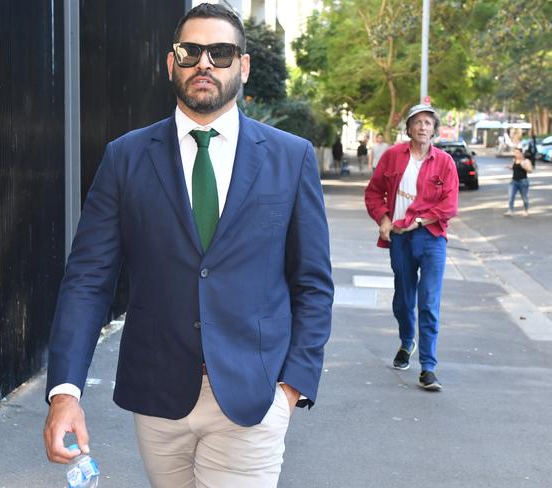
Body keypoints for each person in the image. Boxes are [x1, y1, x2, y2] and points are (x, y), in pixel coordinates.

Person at [43, 4, 334, 487]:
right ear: (170, 62)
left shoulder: (291, 157)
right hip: (158, 398)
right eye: (191, 50)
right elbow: (87, 281)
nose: (205, 63)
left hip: (252, 397)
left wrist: (292, 386)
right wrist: (65, 393)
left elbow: (312, 282)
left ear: (242, 66)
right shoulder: (125, 158)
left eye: (221, 53)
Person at [364, 104, 459, 392]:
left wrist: (416, 221)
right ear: (408, 129)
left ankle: (428, 368)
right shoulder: (393, 156)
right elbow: (373, 192)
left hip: (431, 238)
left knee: (428, 301)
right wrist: (383, 218)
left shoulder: (445, 162)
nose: (422, 127)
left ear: (435, 129)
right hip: (399, 239)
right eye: (417, 122)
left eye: (428, 123)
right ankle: (407, 340)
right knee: (404, 298)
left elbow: (449, 205)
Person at [504, 146, 533, 216]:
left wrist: (524, 166)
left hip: (523, 182)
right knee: (511, 196)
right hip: (514, 181)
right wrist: (509, 167)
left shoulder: (526, 161)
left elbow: (530, 170)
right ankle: (510, 211)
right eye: (515, 153)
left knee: (524, 197)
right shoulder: (514, 160)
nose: (516, 154)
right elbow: (514, 168)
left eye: (517, 153)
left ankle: (526, 210)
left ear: (521, 153)